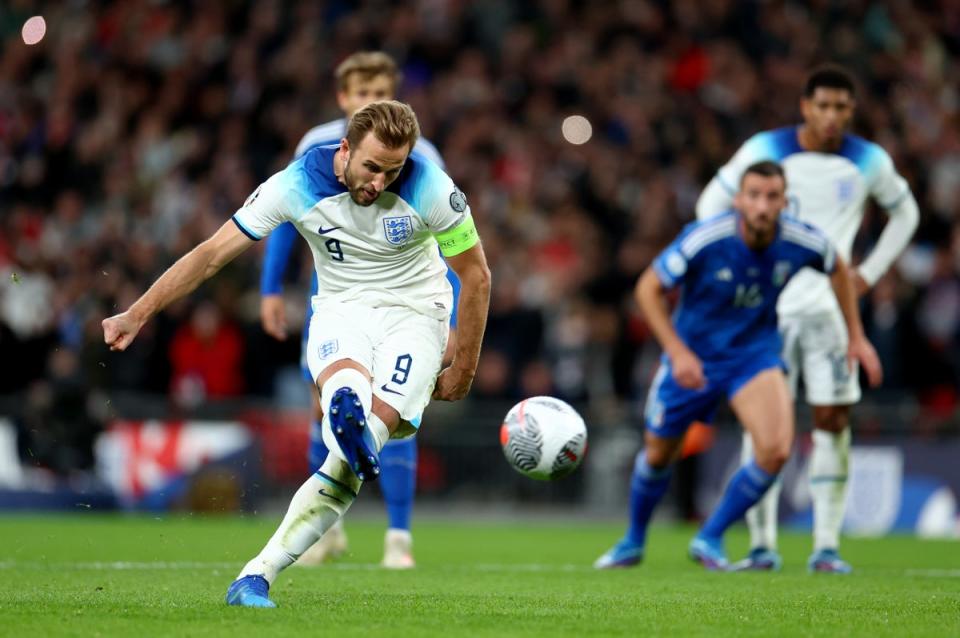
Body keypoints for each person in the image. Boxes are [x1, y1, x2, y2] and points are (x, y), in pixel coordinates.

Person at [102, 101, 491, 607]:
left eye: (392, 170)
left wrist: (465, 365)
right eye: (371, 167)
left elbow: (477, 274)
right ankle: (339, 428)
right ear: (345, 149)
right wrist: (138, 311)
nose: (379, 182)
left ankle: (258, 571)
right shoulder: (295, 184)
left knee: (364, 441)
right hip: (340, 309)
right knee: (347, 400)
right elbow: (212, 254)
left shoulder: (432, 187)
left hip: (416, 316)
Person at [594, 161, 882, 571]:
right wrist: (677, 352)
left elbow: (837, 266)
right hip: (693, 358)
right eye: (754, 195)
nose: (763, 206)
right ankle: (633, 540)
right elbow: (648, 287)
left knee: (775, 450)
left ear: (786, 202)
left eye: (772, 197)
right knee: (659, 455)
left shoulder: (800, 241)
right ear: (738, 200)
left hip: (754, 357)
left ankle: (710, 535)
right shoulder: (707, 238)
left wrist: (855, 335)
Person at [695, 65, 919, 573]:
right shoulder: (765, 150)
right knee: (764, 425)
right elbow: (711, 203)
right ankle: (762, 545)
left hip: (830, 312)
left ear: (852, 111)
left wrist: (869, 273)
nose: (832, 116)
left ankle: (826, 546)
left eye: (842, 107)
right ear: (804, 106)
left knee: (832, 420)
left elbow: (907, 215)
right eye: (823, 105)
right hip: (766, 312)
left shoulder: (869, 160)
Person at [260, 51, 454, 569]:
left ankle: (398, 536)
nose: (371, 100)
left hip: (403, 306)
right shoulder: (315, 146)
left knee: (393, 410)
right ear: (343, 97)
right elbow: (281, 216)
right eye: (361, 92)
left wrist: (449, 321)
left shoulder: (421, 154)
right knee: (324, 408)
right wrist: (271, 288)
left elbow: (449, 242)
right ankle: (329, 531)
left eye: (381, 91)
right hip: (337, 299)